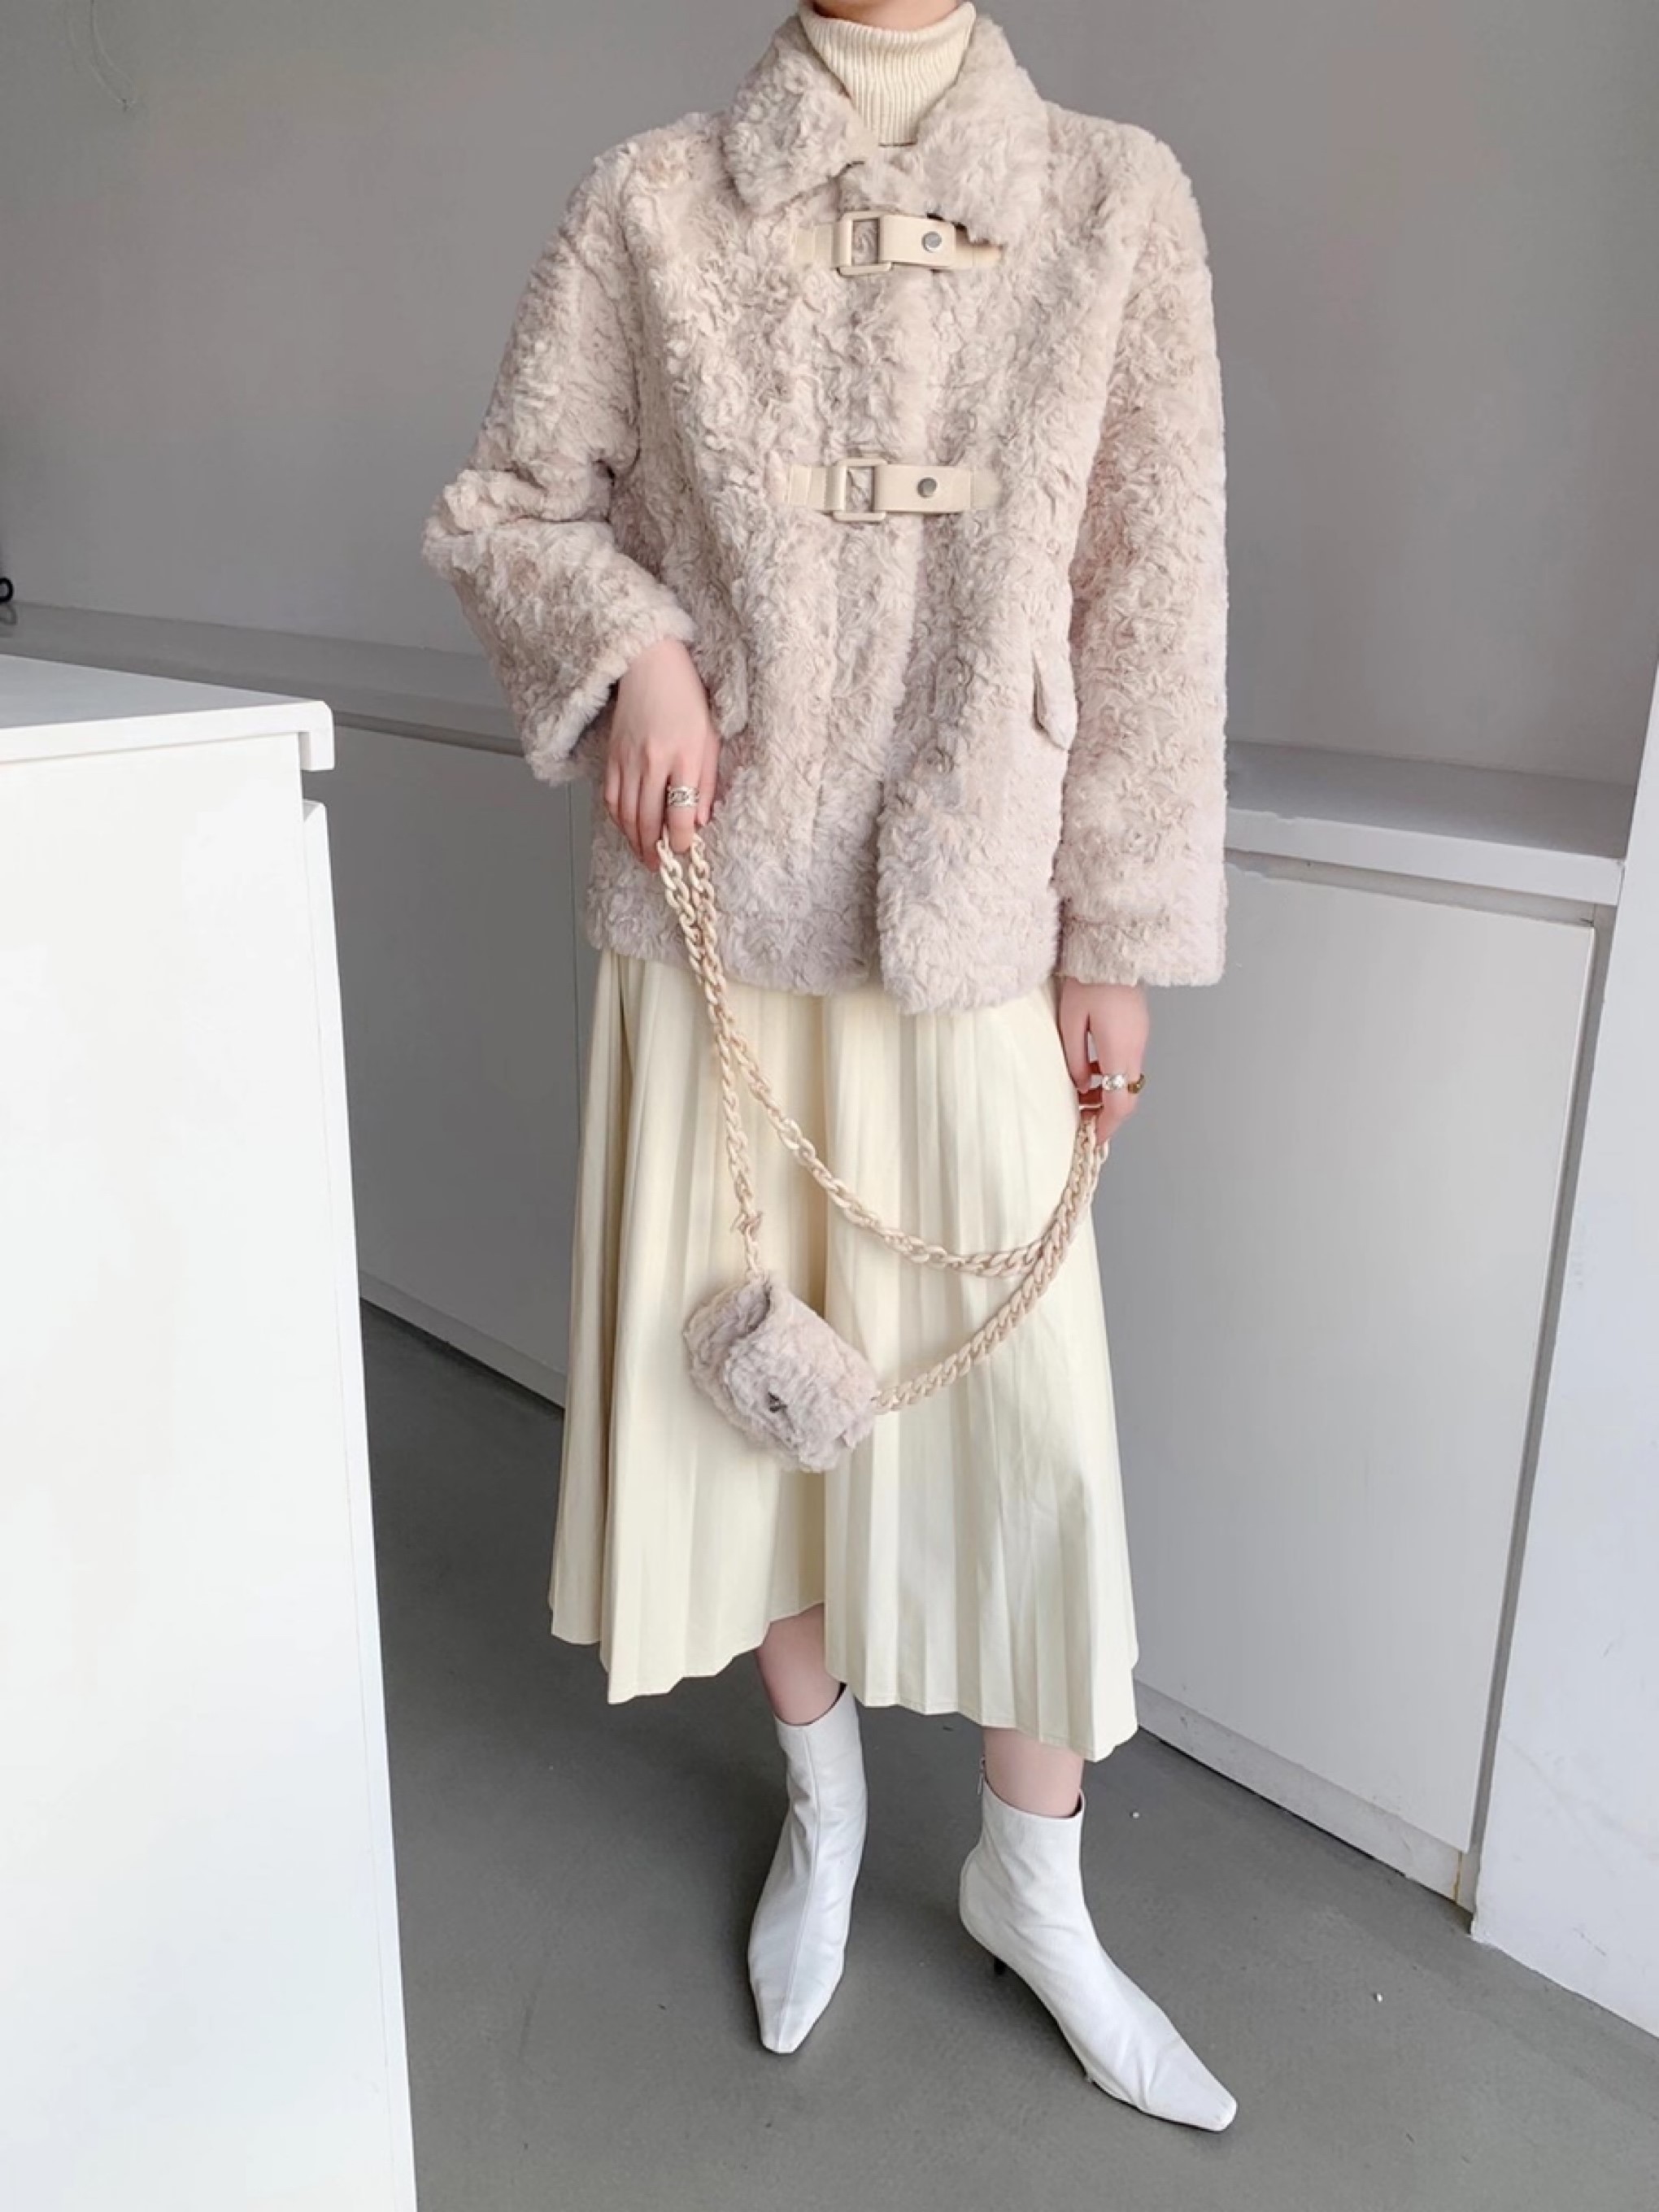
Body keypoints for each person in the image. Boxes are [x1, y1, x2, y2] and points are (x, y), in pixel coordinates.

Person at [421, 0, 1234, 2131]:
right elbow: (510, 510)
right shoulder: (651, 203)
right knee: (757, 1394)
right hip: (725, 916)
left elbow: (1155, 599)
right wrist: (637, 651)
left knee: (1031, 1437)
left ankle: (1035, 1888)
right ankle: (827, 1803)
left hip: (982, 908)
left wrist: (1118, 932)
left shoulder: (1112, 197)